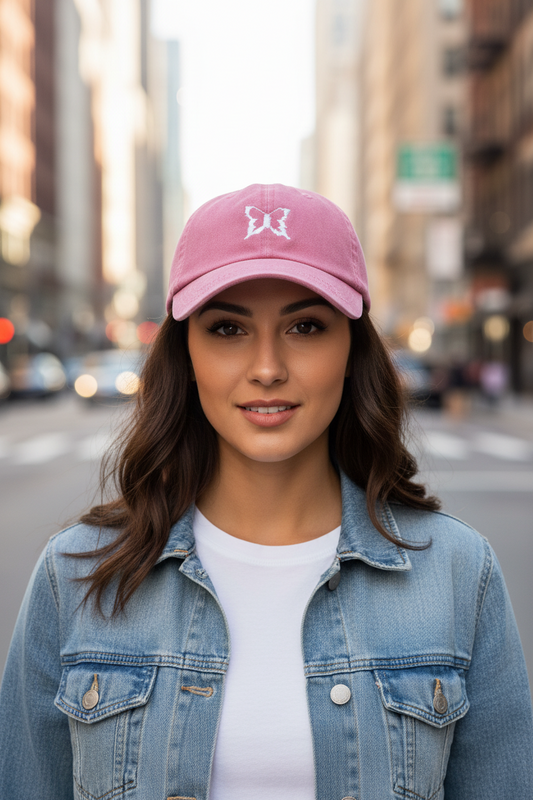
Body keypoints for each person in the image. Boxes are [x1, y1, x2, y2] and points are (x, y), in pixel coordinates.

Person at [0, 184, 531, 800]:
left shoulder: (459, 575)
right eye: (228, 328)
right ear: (186, 353)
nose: (268, 366)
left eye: (306, 325)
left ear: (353, 350)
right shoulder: (76, 575)